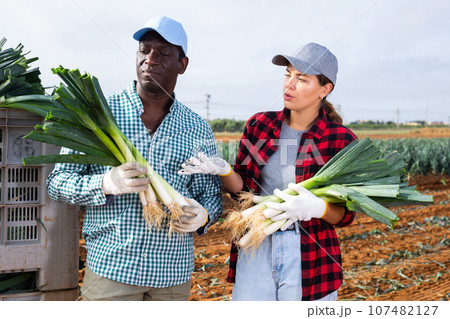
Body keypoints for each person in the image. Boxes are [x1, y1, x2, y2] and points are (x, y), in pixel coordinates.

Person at [46, 16, 223, 301]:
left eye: (164, 53)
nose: (150, 59)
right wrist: (104, 183)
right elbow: (57, 183)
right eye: (144, 50)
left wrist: (203, 216)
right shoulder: (101, 113)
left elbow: (211, 196)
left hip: (172, 276)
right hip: (112, 272)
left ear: (182, 64)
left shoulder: (197, 127)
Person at [178, 43, 357, 301]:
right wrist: (225, 170)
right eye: (287, 74)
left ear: (325, 89)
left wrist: (318, 209)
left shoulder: (341, 139)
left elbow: (345, 215)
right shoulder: (260, 124)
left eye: (302, 79)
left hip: (309, 253)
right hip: (255, 243)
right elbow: (242, 191)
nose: (289, 84)